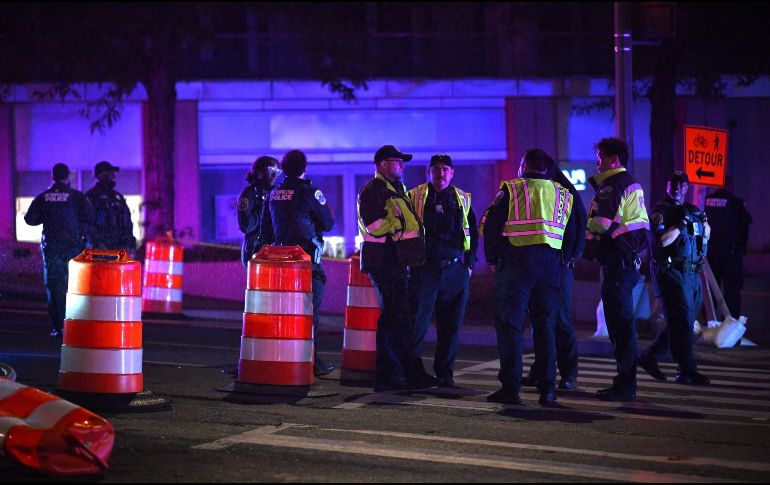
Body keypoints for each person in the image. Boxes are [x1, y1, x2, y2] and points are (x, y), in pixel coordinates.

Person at [481, 148, 574, 406]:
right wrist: (563, 260)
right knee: (545, 327)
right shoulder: (563, 194)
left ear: (524, 166)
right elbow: (572, 229)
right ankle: (548, 390)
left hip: (517, 265)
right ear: (546, 168)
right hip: (550, 268)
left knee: (510, 326)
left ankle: (511, 388)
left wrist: (492, 259)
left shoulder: (512, 189)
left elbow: (491, 225)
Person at [584, 137, 650, 402]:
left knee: (620, 327)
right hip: (625, 261)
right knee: (621, 325)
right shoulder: (627, 182)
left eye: (600, 156)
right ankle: (624, 382)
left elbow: (601, 221)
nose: (596, 161)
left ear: (614, 159)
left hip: (618, 263)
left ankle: (626, 385)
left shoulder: (613, 184)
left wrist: (582, 231)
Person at [260, 150, 336, 376]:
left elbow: (266, 231)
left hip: (281, 264)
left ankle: (287, 356)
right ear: (305, 168)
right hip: (307, 264)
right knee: (309, 312)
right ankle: (309, 360)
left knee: (285, 313)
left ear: (283, 168)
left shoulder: (273, 194)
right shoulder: (309, 192)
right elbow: (329, 223)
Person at [357, 145, 425, 392]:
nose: (402, 166)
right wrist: (396, 220)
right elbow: (374, 226)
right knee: (395, 319)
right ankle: (395, 375)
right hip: (383, 262)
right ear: (383, 164)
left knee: (395, 319)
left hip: (395, 261)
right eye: (398, 162)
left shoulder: (394, 189)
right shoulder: (374, 190)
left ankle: (399, 373)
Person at [408, 153, 478, 388]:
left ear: (452, 173)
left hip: (454, 271)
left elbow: (473, 233)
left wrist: (468, 265)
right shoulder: (416, 196)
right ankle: (412, 373)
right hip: (425, 269)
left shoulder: (462, 198)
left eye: (445, 169)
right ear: (428, 172)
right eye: (436, 169)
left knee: (450, 326)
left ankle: (445, 374)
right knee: (417, 325)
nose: (441, 173)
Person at [639, 171, 711, 386]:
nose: (678, 187)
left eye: (682, 184)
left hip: (691, 273)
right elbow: (662, 241)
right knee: (680, 321)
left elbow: (705, 234)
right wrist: (681, 223)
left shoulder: (690, 210)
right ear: (668, 186)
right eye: (674, 183)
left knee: (683, 323)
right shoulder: (661, 211)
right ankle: (686, 370)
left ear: (687, 188)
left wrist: (702, 219)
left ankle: (649, 357)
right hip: (670, 272)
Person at [521, 157, 587, 390]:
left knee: (560, 321)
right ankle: (541, 371)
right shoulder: (548, 192)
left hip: (558, 268)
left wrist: (567, 258)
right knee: (542, 322)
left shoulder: (562, 194)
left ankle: (569, 373)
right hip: (544, 267)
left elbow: (577, 227)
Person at [24, 163, 95, 337]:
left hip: (52, 249)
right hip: (74, 249)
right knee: (77, 287)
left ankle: (59, 326)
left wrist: (48, 216)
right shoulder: (77, 197)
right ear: (68, 178)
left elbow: (30, 219)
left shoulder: (43, 197)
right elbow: (90, 218)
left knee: (55, 287)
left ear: (52, 177)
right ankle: (77, 325)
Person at [704, 180, 752, 317]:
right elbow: (744, 228)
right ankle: (730, 322)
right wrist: (742, 249)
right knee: (732, 291)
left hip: (711, 253)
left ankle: (710, 321)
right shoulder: (736, 203)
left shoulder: (705, 202)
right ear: (730, 186)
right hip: (730, 254)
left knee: (711, 289)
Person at [85, 161, 136, 257]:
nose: (113, 176)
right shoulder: (91, 197)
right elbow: (87, 224)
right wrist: (97, 243)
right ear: (101, 175)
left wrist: (131, 244)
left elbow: (127, 221)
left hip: (120, 249)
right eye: (110, 173)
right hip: (100, 250)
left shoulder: (117, 197)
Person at [238, 155, 280, 267]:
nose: (275, 175)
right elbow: (245, 226)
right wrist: (264, 210)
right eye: (272, 170)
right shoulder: (249, 194)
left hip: (274, 248)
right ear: (259, 172)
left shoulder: (276, 192)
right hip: (255, 249)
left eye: (277, 171)